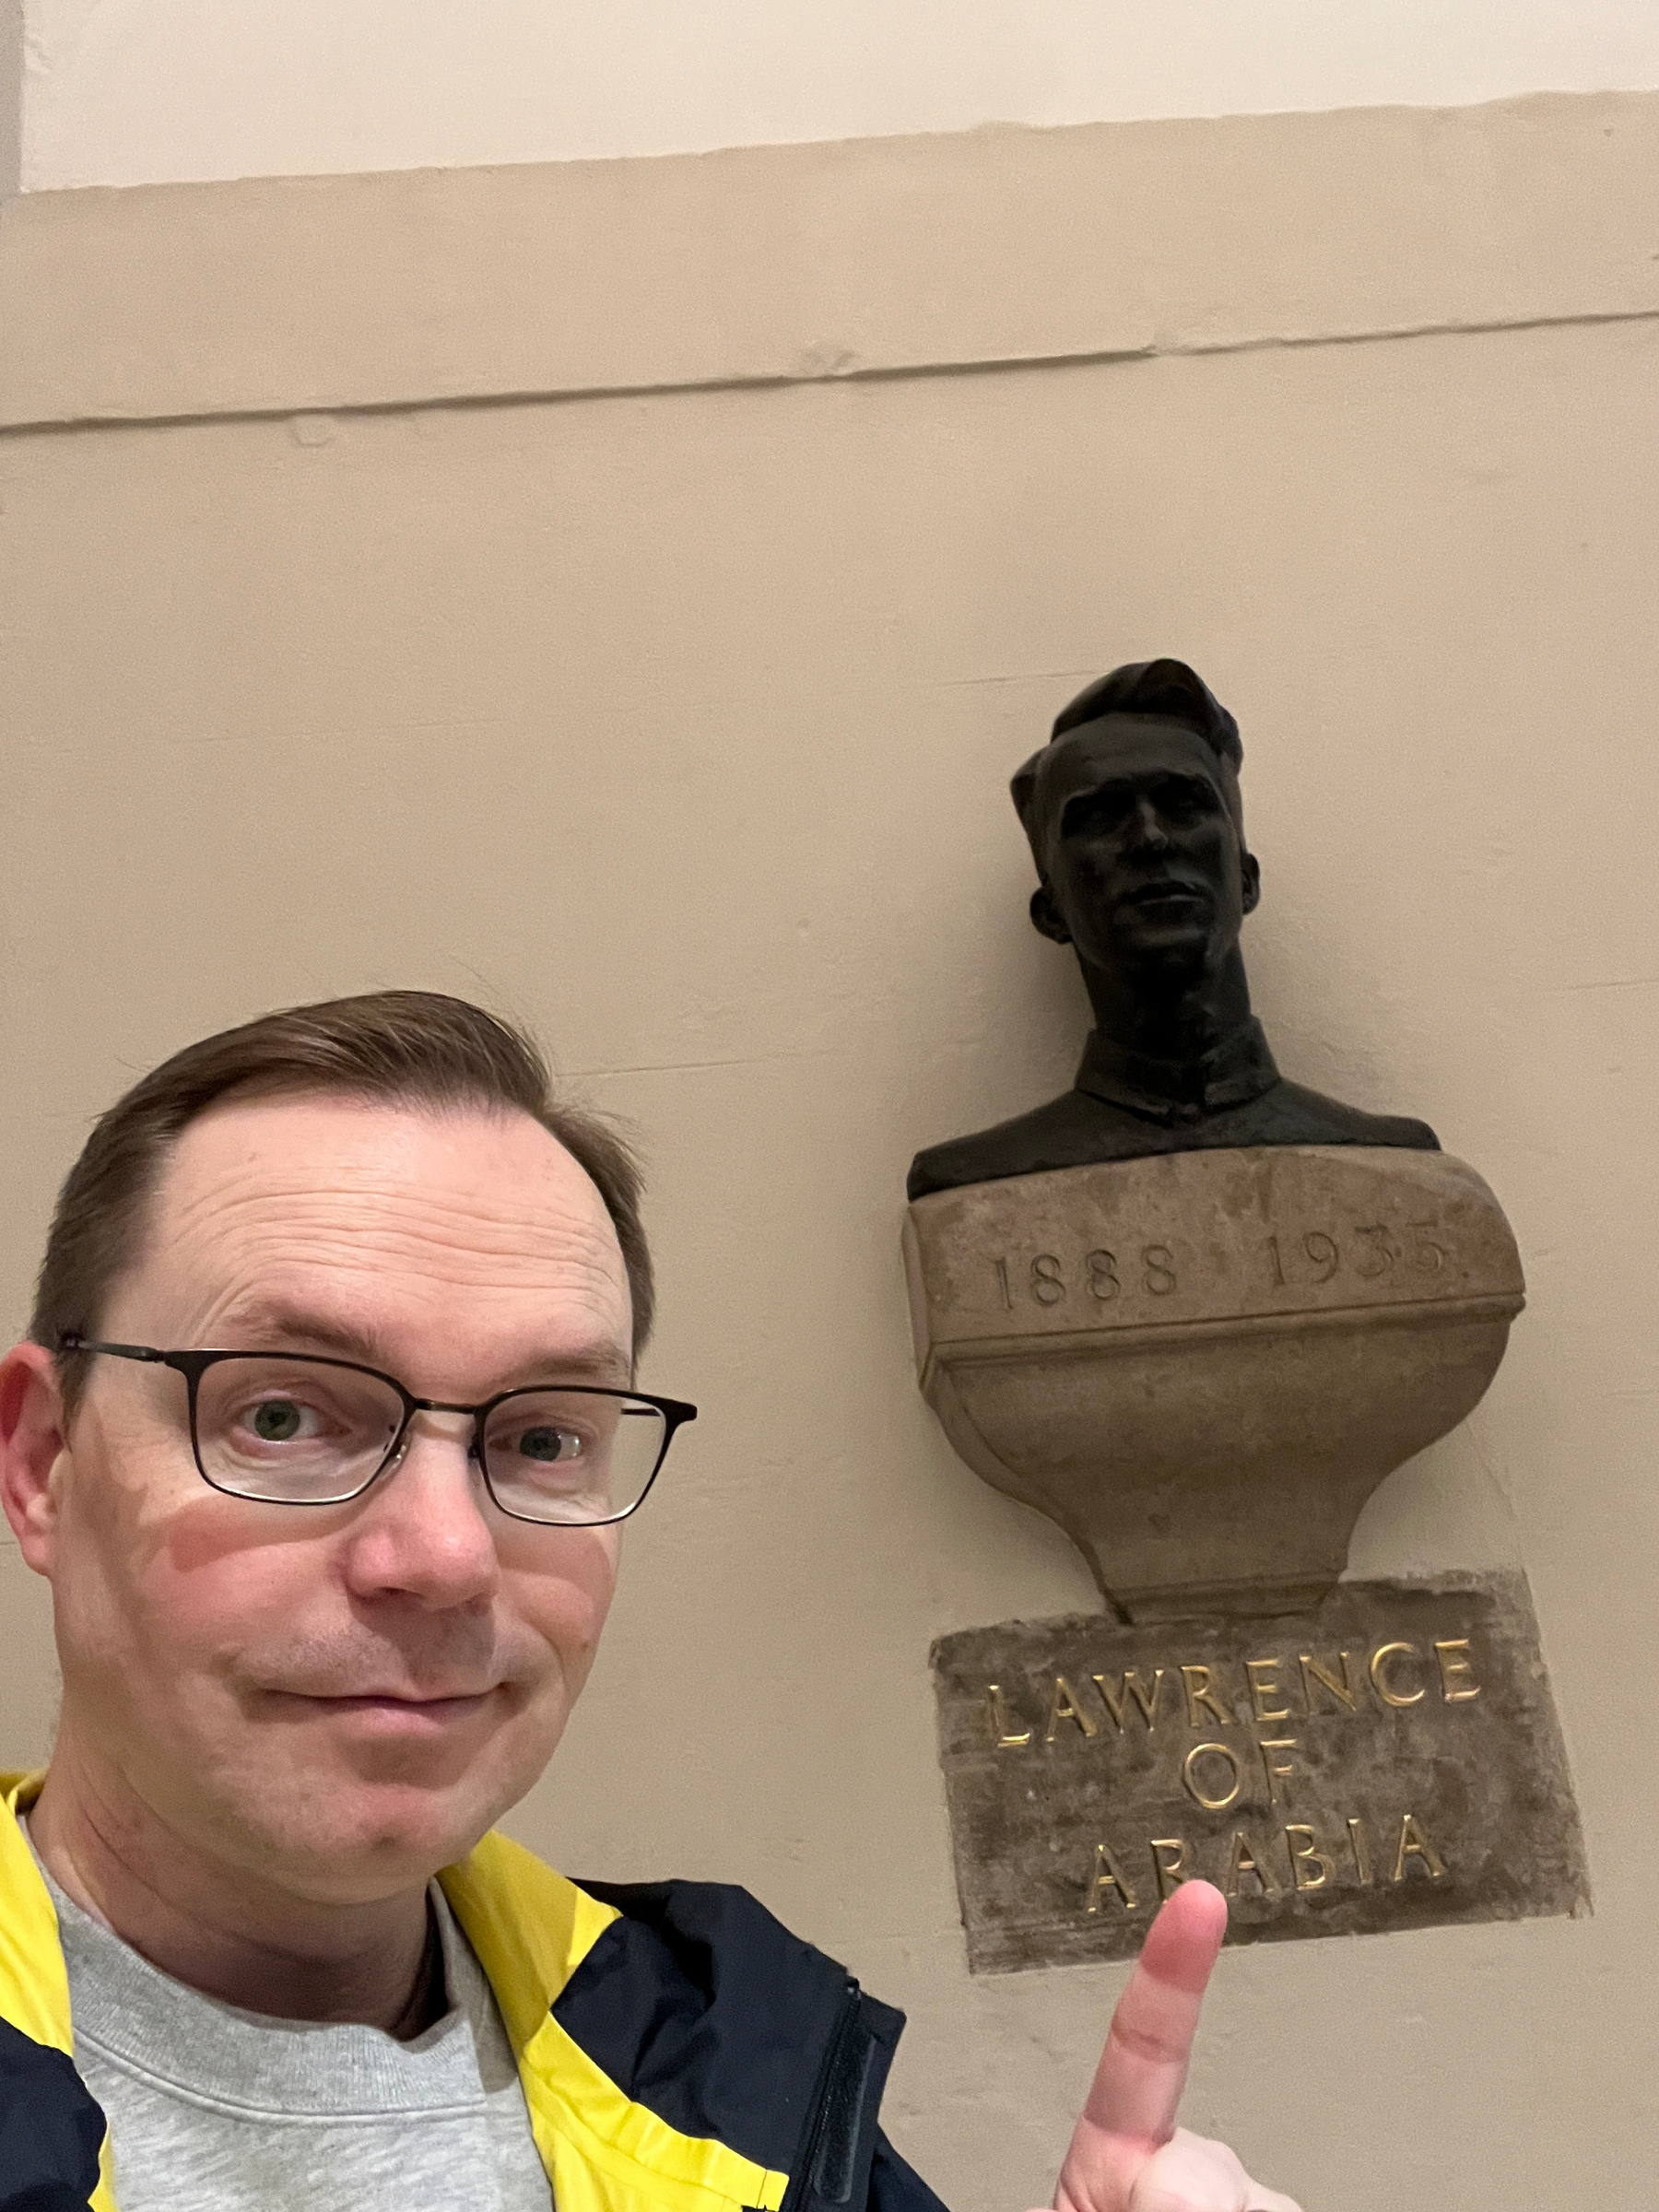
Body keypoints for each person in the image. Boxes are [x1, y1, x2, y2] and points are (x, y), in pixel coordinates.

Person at [0, 991, 1301, 2212]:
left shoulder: (735, 2074)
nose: (447, 1555)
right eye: (282, 1414)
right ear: (43, 1463)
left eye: (543, 1439)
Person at [908, 657, 1437, 1199]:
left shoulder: (1400, 1172)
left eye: (1184, 804)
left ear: (1247, 880)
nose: (1150, 838)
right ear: (1051, 912)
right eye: (1099, 816)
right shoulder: (976, 1185)